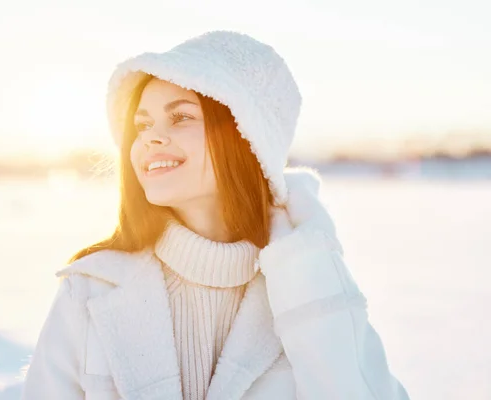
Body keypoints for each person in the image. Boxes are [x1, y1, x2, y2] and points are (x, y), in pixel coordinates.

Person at [22, 31, 410, 399]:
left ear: (246, 137)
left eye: (181, 117)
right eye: (142, 125)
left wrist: (313, 280)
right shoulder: (89, 290)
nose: (150, 138)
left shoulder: (307, 283)